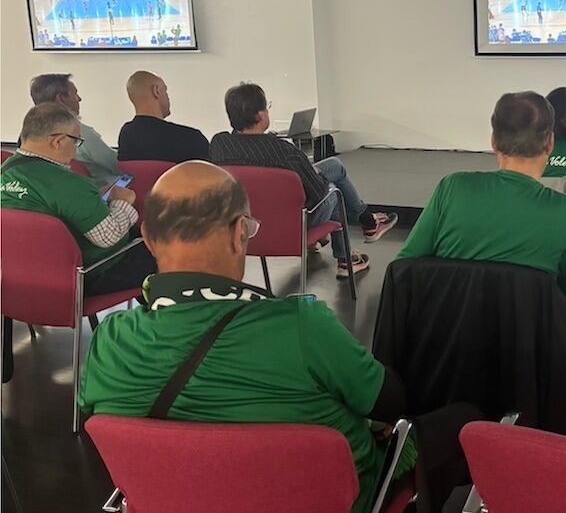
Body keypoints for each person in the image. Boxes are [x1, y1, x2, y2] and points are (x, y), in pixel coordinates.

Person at [78, 162, 413, 512]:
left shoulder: (109, 342)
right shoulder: (302, 328)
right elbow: (389, 402)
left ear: (146, 237)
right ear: (240, 232)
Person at [397, 92, 566, 309]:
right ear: (550, 143)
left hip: (445, 338)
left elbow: (404, 267)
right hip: (529, 340)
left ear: (493, 141)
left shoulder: (453, 188)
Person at [210, 83, 396, 278]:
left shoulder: (219, 145)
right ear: (260, 116)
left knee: (333, 166)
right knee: (333, 190)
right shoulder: (283, 151)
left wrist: (308, 171)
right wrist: (313, 173)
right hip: (292, 227)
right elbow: (318, 194)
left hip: (245, 228)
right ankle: (347, 255)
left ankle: (367, 224)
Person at [0, 104, 155, 296]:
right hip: (85, 277)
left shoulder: (6, 170)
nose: (75, 150)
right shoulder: (67, 183)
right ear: (57, 142)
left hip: (24, 279)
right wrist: (122, 201)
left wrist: (93, 196)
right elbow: (108, 236)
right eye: (76, 142)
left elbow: (53, 204)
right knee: (165, 253)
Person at [29, 73, 121, 185]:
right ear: (61, 99)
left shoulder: (29, 137)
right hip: (100, 195)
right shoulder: (80, 133)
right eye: (75, 94)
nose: (79, 99)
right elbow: (117, 165)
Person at [118, 71, 210, 163]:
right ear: (156, 91)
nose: (168, 97)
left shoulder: (126, 135)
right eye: (165, 91)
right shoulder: (192, 139)